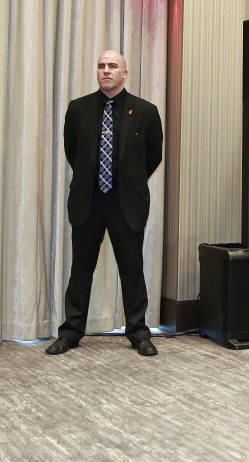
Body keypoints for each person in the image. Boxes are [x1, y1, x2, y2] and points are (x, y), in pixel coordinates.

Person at [47, 50, 163, 357]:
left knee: (132, 269)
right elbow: (73, 151)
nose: (106, 71)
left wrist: (128, 180)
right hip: (89, 200)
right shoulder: (78, 109)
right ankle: (71, 331)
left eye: (113, 66)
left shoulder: (146, 111)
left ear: (124, 73)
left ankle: (138, 332)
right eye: (101, 66)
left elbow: (153, 156)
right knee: (81, 269)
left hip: (126, 202)